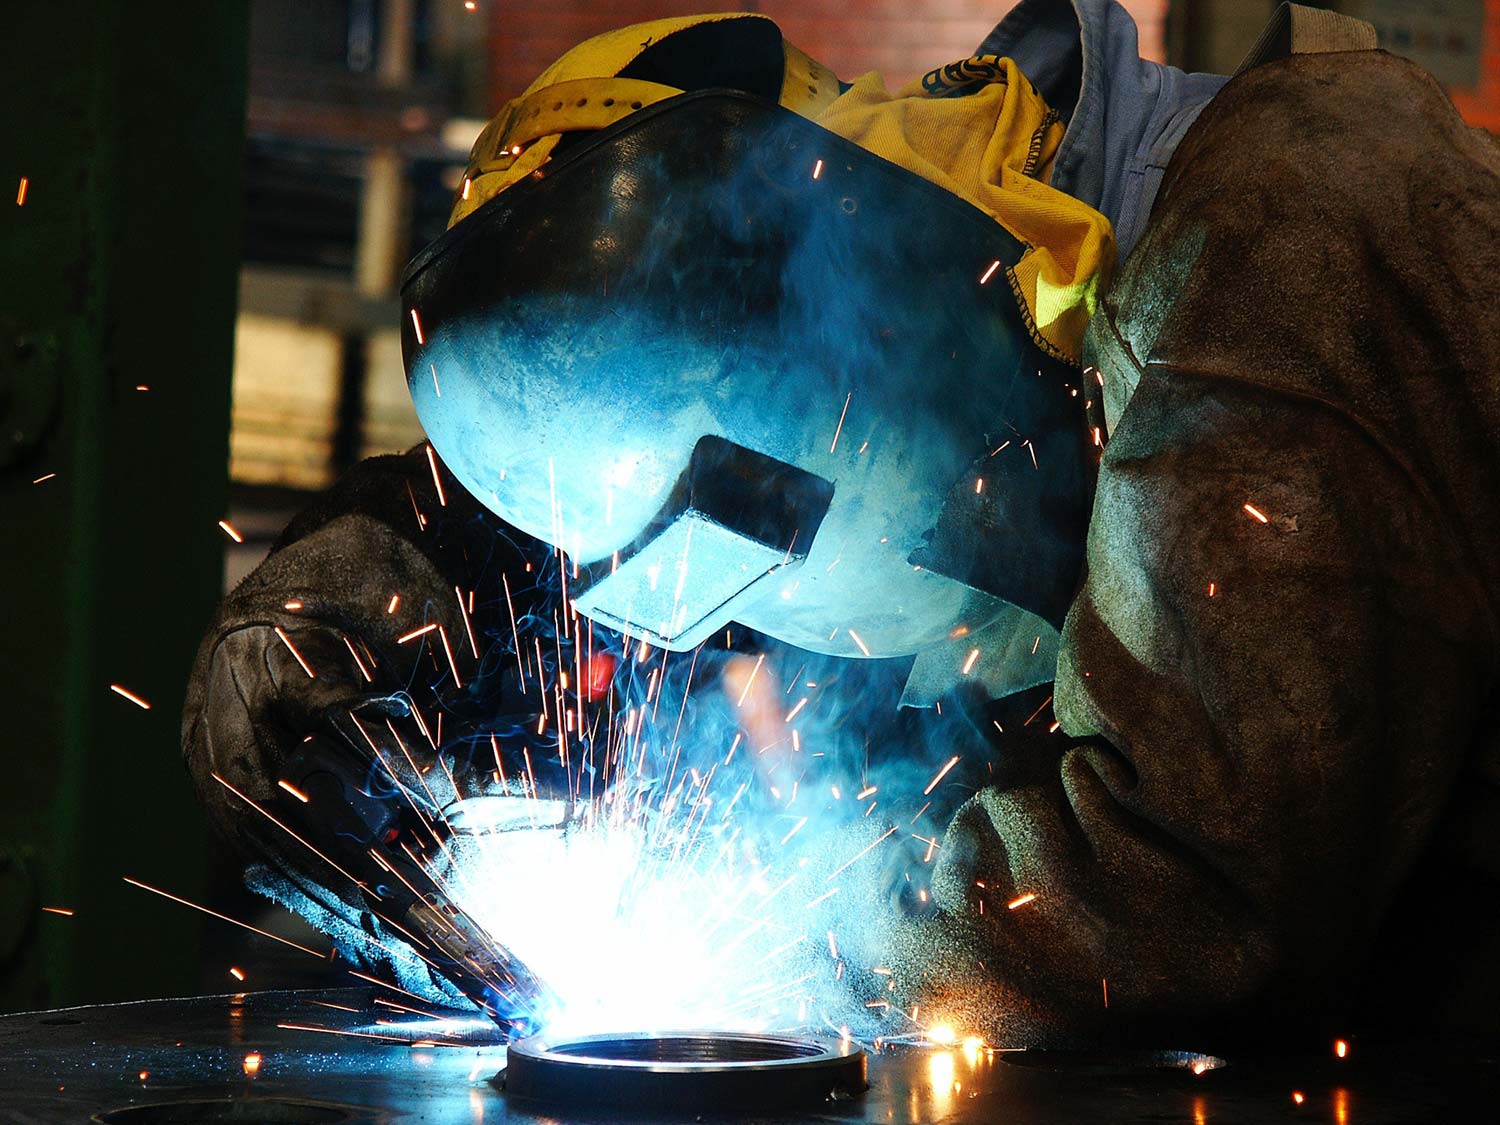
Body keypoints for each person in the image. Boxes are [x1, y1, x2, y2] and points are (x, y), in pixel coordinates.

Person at [184, 0, 1500, 1045]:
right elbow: (633, 539)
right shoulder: (879, 428)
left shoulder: (1297, 225)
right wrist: (347, 609)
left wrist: (764, 956)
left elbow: (1182, 890)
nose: (751, 613)